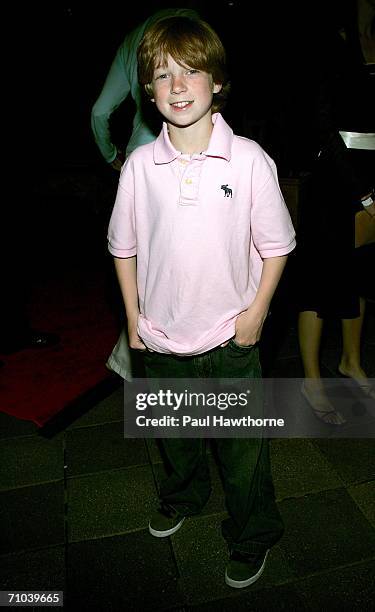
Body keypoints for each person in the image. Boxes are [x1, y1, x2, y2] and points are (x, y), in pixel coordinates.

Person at [107, 15, 295, 588]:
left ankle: (253, 532)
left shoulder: (249, 159)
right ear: (147, 91)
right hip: (162, 336)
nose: (179, 85)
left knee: (243, 455)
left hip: (229, 338)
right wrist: (135, 319)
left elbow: (277, 244)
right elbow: (124, 247)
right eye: (163, 75)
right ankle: (183, 497)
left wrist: (255, 315)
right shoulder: (140, 167)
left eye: (192, 71)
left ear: (217, 82)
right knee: (176, 438)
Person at [91, 6, 200, 381]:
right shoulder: (197, 30)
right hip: (193, 155)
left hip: (141, 155)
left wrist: (110, 156)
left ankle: (134, 362)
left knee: (146, 264)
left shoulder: (134, 36)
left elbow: (99, 110)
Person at [297, 0, 375, 425]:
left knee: (359, 272)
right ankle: (311, 379)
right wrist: (362, 192)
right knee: (319, 279)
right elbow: (319, 124)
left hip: (372, 171)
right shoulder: (328, 41)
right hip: (334, 174)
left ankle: (352, 363)